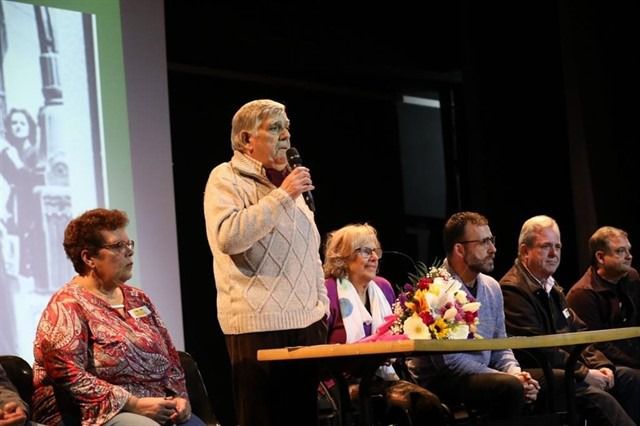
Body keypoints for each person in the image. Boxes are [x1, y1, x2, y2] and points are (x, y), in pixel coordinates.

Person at [203, 99, 329, 426]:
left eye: (287, 126)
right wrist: (283, 195)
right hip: (257, 326)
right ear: (247, 140)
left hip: (306, 323)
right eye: (275, 128)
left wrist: (321, 303)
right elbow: (229, 237)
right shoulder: (226, 177)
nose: (286, 135)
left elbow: (310, 251)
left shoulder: (289, 182)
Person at [31, 208, 205, 426]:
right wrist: (134, 404)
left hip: (157, 405)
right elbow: (68, 375)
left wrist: (180, 399)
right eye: (117, 246)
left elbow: (170, 359)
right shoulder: (67, 305)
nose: (129, 252)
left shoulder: (138, 298)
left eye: (128, 244)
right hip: (96, 413)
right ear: (89, 258)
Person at [500, 215, 640, 426]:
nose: (554, 253)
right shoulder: (513, 290)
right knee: (599, 399)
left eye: (558, 246)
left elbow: (580, 333)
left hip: (570, 367)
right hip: (544, 374)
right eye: (546, 246)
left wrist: (603, 366)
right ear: (524, 251)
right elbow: (541, 347)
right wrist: (584, 374)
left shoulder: (552, 287)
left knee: (630, 378)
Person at [406, 211, 539, 423]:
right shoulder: (435, 289)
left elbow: (501, 345)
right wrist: (509, 378)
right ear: (459, 249)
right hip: (444, 380)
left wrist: (516, 371)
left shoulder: (492, 287)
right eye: (484, 242)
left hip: (482, 373)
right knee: (511, 387)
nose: (493, 249)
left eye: (492, 240)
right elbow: (450, 363)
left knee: (553, 380)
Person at [322, 223, 448, 425]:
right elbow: (317, 348)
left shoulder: (383, 287)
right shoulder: (328, 291)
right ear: (342, 257)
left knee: (430, 405)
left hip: (381, 377)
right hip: (339, 381)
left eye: (375, 251)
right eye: (364, 251)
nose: (374, 257)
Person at [566, 226, 640, 369]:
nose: (629, 256)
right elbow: (598, 345)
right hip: (608, 365)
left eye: (628, 250)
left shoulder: (632, 277)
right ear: (600, 257)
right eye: (620, 251)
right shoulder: (583, 294)